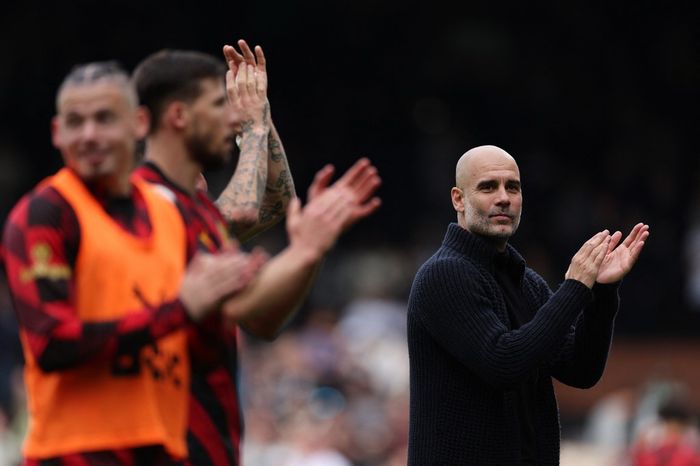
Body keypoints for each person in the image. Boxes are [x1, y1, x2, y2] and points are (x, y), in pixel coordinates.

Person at [131, 41, 381, 465]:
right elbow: (246, 210)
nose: (230, 117)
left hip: (204, 435)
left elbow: (273, 202)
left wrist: (261, 115)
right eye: (217, 105)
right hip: (158, 438)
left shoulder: (190, 199)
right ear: (178, 117)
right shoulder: (147, 200)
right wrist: (254, 130)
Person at [2, 61, 263, 465]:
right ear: (57, 133)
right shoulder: (45, 213)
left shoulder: (167, 215)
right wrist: (180, 310)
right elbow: (52, 343)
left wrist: (303, 253)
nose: (89, 135)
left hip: (162, 448)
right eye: (75, 122)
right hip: (74, 454)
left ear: (139, 124)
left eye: (104, 119)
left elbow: (214, 327)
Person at [406, 145, 649, 465]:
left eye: (513, 187)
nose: (504, 197)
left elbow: (581, 370)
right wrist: (575, 288)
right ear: (458, 199)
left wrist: (602, 292)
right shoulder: (444, 274)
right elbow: (504, 362)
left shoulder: (526, 282)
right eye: (488, 187)